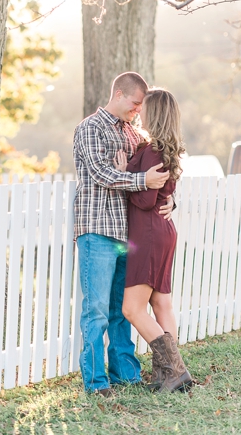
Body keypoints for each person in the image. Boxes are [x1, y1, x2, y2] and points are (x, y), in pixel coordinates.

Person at [73, 71, 171, 395]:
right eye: (135, 103)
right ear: (119, 95)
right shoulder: (90, 128)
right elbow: (102, 173)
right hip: (97, 230)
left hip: (126, 235)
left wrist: (168, 197)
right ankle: (96, 383)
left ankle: (126, 374)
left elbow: (154, 173)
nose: (138, 111)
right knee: (96, 311)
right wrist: (141, 179)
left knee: (121, 310)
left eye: (141, 107)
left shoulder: (134, 134)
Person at [119, 87, 194, 393]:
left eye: (145, 107)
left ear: (155, 113)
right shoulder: (164, 149)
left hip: (149, 233)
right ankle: (170, 375)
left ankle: (174, 371)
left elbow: (147, 200)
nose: (140, 111)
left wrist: (124, 176)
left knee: (132, 310)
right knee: (161, 303)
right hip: (162, 231)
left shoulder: (151, 151)